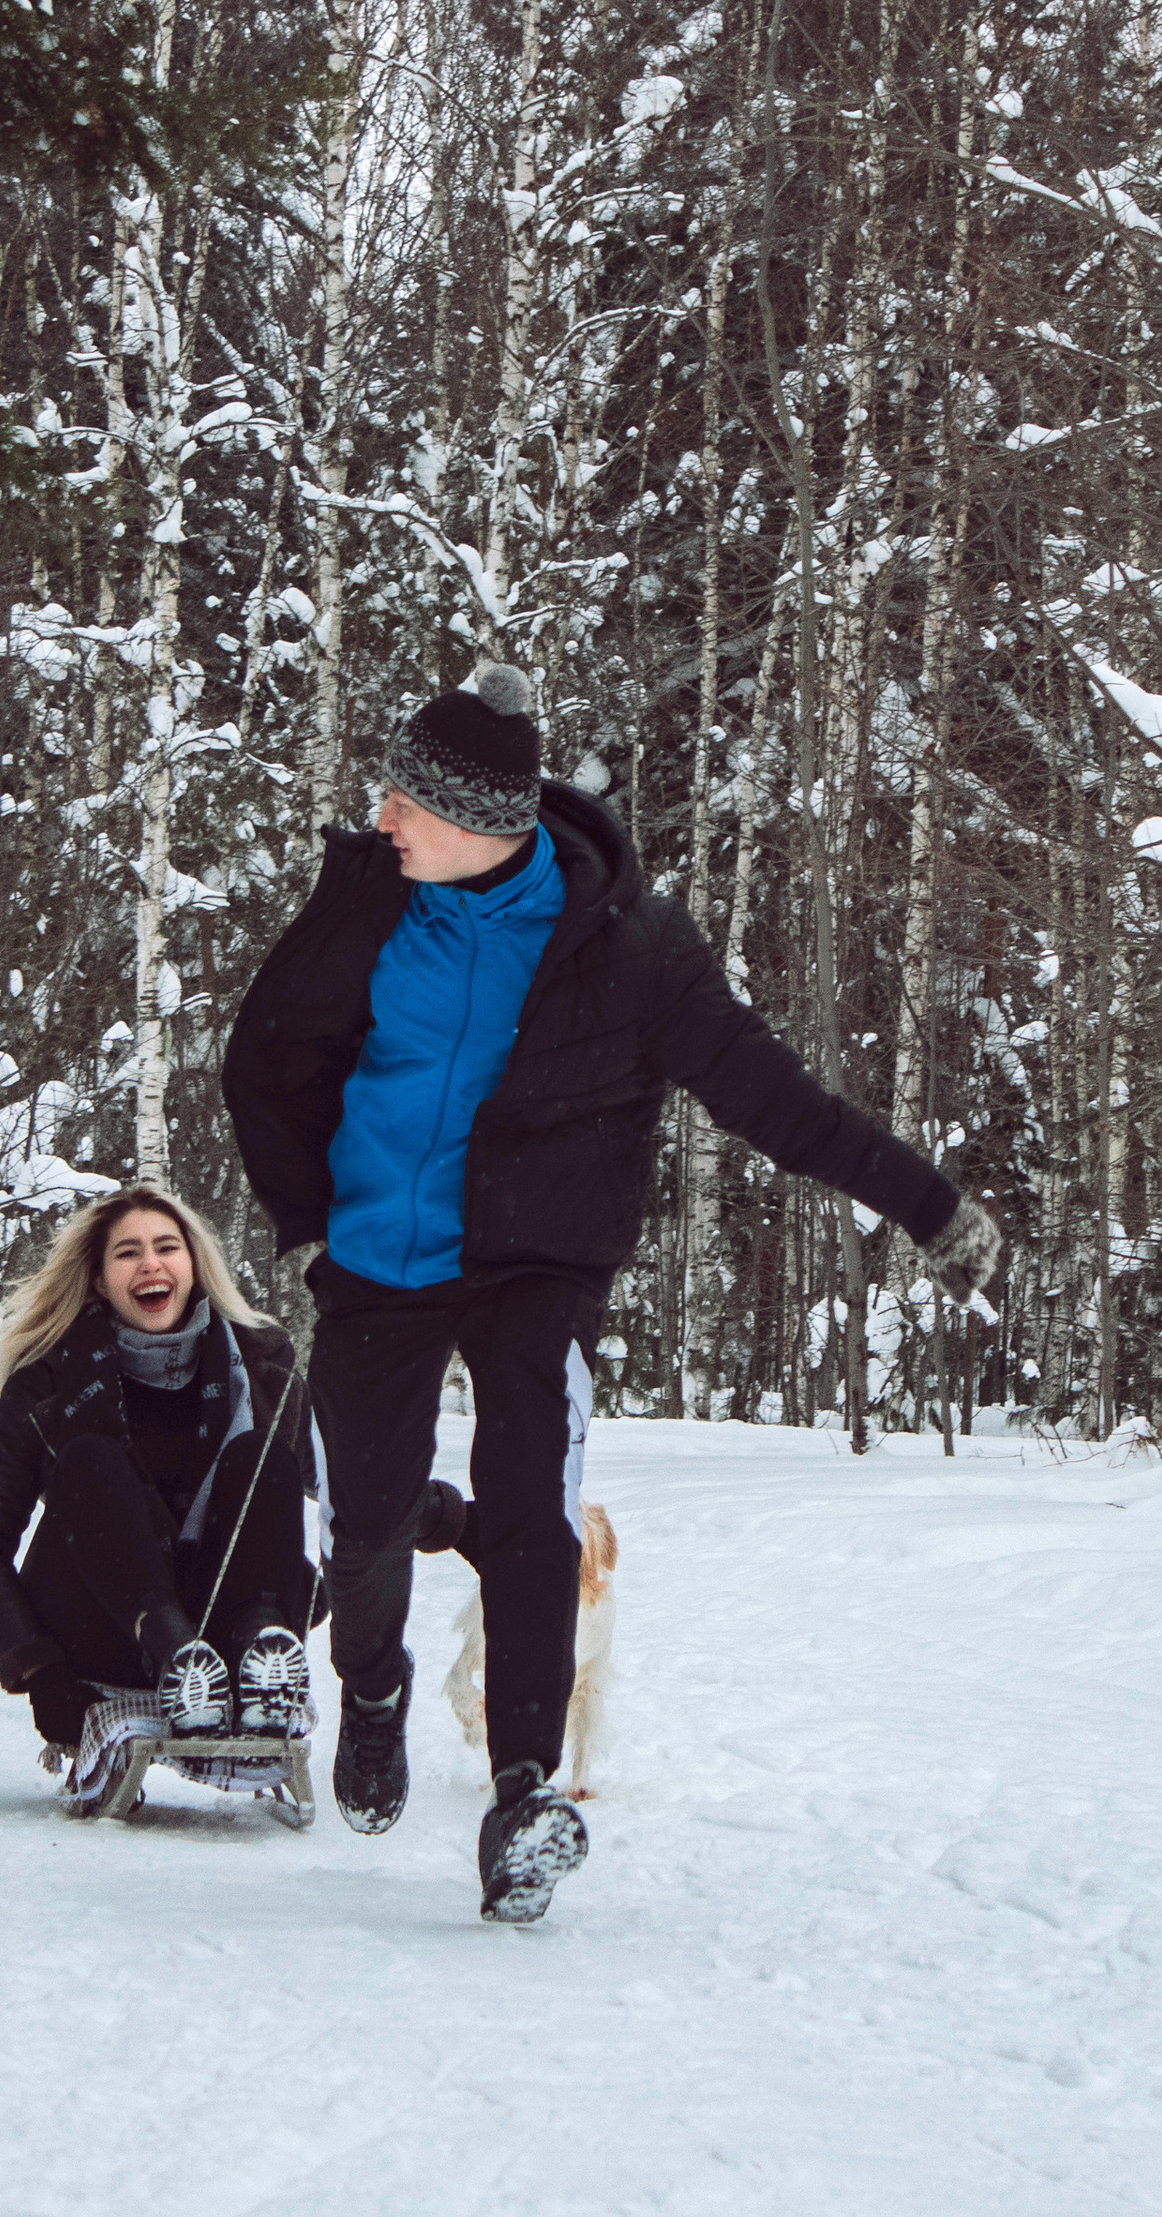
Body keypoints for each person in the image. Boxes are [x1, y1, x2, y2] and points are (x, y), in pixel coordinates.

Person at [223, 662, 1002, 1921]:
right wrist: (310, 1227)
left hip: (540, 1259)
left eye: (404, 801)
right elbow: (264, 1061)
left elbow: (769, 1095)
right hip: (378, 1254)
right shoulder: (369, 902)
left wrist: (926, 1203)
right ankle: (372, 1689)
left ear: (481, 820)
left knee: (533, 1506)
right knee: (364, 1513)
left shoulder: (631, 947)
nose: (379, 818)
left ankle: (524, 1794)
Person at [0, 1187, 318, 1782]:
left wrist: (312, 1593)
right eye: (127, 1253)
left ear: (193, 1265)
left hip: (228, 1632)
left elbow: (344, 1508)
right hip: (104, 1630)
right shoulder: (50, 1380)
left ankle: (259, 1657)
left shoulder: (264, 1367)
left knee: (261, 1458)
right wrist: (41, 1674)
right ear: (98, 1281)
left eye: (167, 1247)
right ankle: (170, 1651)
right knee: (91, 1458)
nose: (150, 1263)